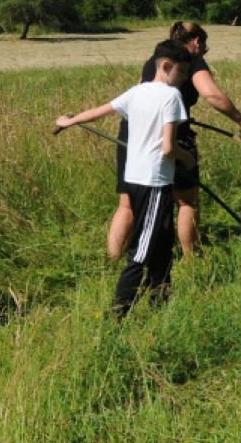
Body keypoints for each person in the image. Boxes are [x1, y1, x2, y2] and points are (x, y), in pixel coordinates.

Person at [56, 40, 196, 318]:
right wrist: (187, 158)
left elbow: (99, 112)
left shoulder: (136, 92)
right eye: (181, 73)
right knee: (142, 250)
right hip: (154, 181)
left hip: (133, 179)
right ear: (166, 66)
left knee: (162, 245)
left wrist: (69, 121)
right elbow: (168, 147)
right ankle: (116, 315)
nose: (181, 80)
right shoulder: (170, 97)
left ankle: (160, 304)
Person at [110, 21, 241, 261]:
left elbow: (140, 92)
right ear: (196, 42)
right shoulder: (192, 60)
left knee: (127, 203)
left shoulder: (156, 59)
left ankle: (114, 260)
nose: (204, 51)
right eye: (204, 46)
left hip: (132, 131)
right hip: (170, 134)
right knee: (186, 201)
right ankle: (192, 259)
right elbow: (211, 94)